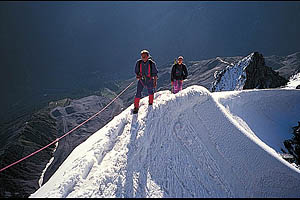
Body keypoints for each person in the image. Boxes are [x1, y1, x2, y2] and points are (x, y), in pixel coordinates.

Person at [133, 50, 158, 114]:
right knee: (138, 93)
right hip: (141, 80)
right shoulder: (138, 63)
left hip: (149, 80)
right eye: (142, 56)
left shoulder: (152, 63)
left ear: (147, 56)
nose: (143, 58)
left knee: (150, 92)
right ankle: (136, 107)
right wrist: (138, 75)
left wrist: (155, 82)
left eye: (144, 56)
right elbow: (136, 71)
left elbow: (155, 74)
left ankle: (150, 103)